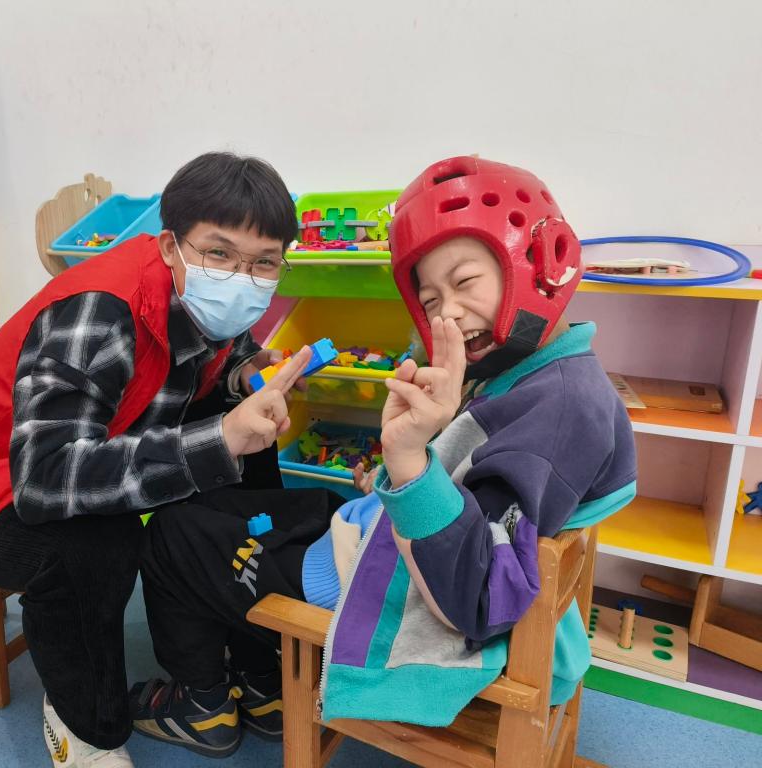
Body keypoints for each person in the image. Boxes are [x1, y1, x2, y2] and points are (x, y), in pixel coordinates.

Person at [133, 156, 637, 756]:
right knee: (263, 507)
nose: (447, 313)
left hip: (379, 594)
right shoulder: (549, 374)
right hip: (374, 545)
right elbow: (480, 491)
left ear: (542, 262)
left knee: (172, 533)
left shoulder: (558, 410)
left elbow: (479, 596)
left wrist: (409, 462)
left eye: (465, 282)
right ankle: (264, 690)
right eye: (431, 298)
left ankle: (204, 708)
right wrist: (398, 477)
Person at [0, 152, 314, 767]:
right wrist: (217, 439)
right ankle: (85, 726)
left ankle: (251, 669)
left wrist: (247, 376)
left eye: (264, 262)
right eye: (220, 253)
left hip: (109, 440)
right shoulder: (100, 310)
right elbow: (44, 481)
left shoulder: (207, 295)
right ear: (171, 246)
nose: (242, 278)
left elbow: (216, 362)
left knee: (251, 454)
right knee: (96, 542)